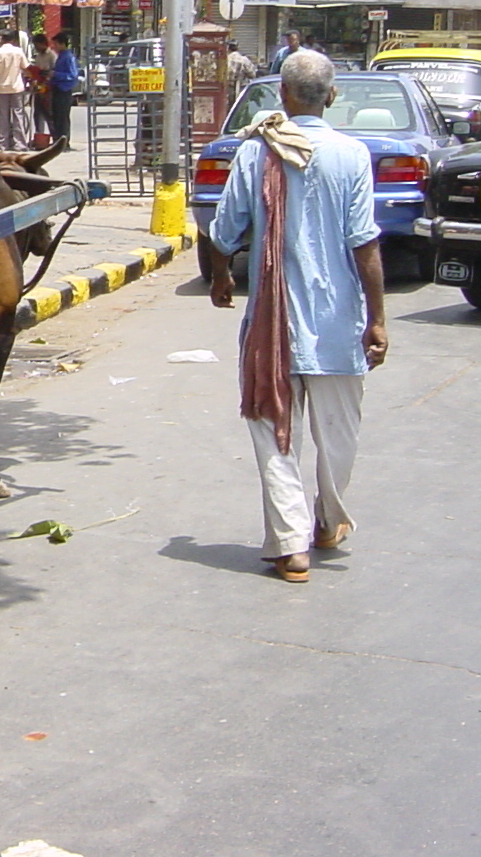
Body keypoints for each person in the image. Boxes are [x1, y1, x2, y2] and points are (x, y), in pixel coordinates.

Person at [204, 50, 387, 584]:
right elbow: (364, 242)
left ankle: (291, 547)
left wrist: (222, 276)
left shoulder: (256, 152)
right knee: (339, 436)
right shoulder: (352, 155)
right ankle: (328, 520)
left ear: (282, 95)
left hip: (271, 322)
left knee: (273, 432)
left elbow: (224, 229)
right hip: (337, 322)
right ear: (331, 97)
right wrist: (377, 318)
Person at [0, 30, 30, 149]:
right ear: (13, 40)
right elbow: (26, 67)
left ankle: (3, 144)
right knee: (18, 115)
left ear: (2, 39)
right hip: (17, 87)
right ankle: (20, 144)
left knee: (3, 116)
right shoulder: (18, 52)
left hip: (2, 88)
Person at [46, 32, 82, 148]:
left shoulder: (68, 57)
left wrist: (56, 74)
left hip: (64, 90)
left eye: (55, 44)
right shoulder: (61, 56)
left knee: (62, 118)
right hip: (57, 89)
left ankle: (64, 143)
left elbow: (72, 75)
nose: (54, 47)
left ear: (62, 44)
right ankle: (58, 142)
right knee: (56, 117)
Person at [29, 33, 56, 140]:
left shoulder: (52, 55)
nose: (36, 48)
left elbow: (53, 72)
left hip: (48, 89)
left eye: (37, 45)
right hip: (38, 87)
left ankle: (54, 137)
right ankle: (39, 137)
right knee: (37, 114)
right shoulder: (38, 56)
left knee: (49, 115)